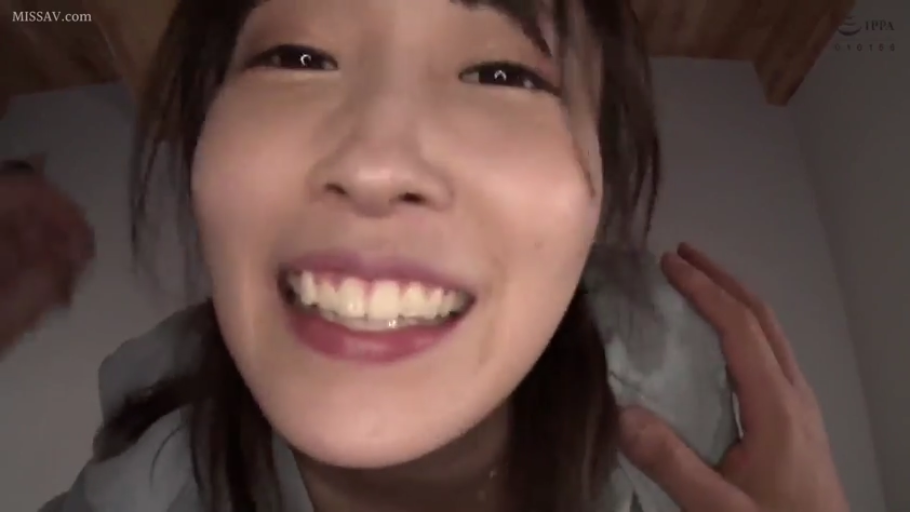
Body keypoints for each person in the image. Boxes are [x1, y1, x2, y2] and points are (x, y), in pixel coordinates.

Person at [0, 0, 850, 510]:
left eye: (503, 73)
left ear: (601, 188)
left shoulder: (681, 378)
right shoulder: (137, 494)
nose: (378, 163)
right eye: (297, 56)